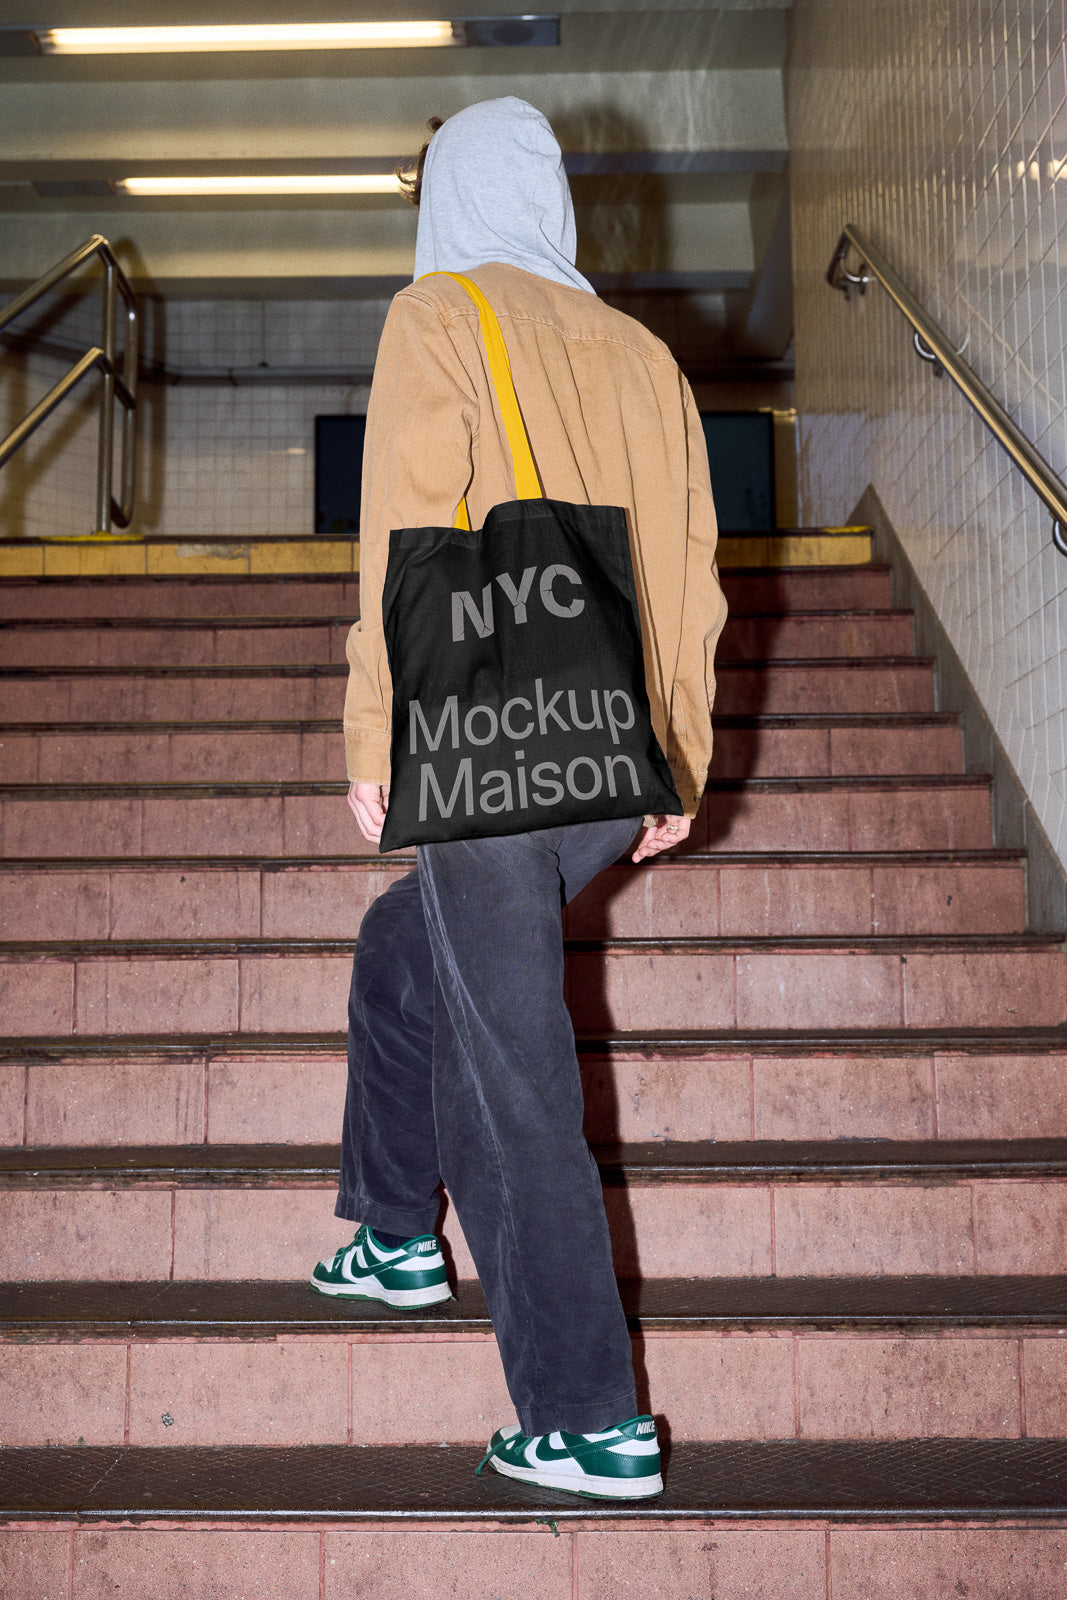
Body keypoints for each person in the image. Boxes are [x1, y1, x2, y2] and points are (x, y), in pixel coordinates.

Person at [311, 96, 727, 1500]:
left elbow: (408, 533)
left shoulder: (436, 314)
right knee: (400, 955)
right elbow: (687, 577)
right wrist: (678, 752)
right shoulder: (643, 352)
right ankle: (391, 1231)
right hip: (601, 760)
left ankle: (584, 1414)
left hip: (486, 747)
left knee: (514, 1076)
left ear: (450, 194)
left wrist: (378, 728)